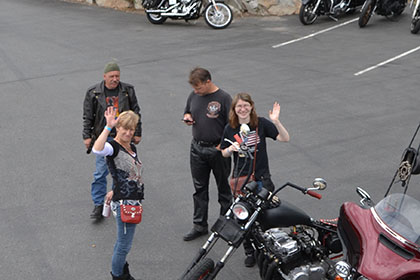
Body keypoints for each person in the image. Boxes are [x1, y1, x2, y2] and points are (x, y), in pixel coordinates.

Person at [220, 92, 289, 267]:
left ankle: (269, 252)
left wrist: (276, 121)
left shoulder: (261, 124)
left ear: (251, 107)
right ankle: (249, 251)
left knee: (268, 217)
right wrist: (231, 149)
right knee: (243, 218)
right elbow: (223, 152)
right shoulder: (230, 128)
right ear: (234, 109)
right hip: (241, 179)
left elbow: (285, 138)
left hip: (262, 179)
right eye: (239, 106)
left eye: (246, 105)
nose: (242, 109)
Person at [83, 62, 142, 219]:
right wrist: (86, 136)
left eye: (117, 76)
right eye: (111, 76)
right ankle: (98, 204)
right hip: (105, 136)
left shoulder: (127, 90)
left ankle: (121, 198)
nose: (115, 79)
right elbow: (88, 115)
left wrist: (137, 132)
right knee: (100, 172)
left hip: (123, 137)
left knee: (125, 171)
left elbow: (136, 112)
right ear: (104, 77)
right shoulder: (93, 92)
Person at [92, 107, 144, 280]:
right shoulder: (113, 147)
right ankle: (117, 276)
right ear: (118, 127)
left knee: (123, 244)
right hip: (124, 204)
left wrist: (114, 189)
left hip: (131, 200)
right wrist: (107, 127)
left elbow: (125, 173)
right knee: (123, 245)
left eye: (132, 129)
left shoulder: (132, 147)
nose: (129, 132)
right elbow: (97, 150)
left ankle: (123, 272)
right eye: (125, 128)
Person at [182, 67, 233, 241]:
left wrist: (223, 145)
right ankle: (199, 225)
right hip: (197, 148)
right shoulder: (194, 95)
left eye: (199, 88)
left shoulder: (224, 98)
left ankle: (225, 225)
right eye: (194, 88)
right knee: (199, 189)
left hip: (218, 150)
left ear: (208, 82)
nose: (196, 91)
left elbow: (231, 125)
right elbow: (187, 111)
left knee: (224, 189)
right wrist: (187, 117)